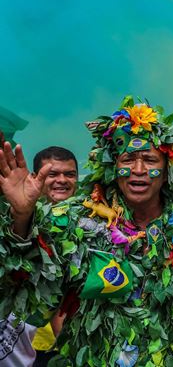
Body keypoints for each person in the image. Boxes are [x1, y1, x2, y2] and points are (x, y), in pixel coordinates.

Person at [0, 98, 173, 365]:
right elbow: (27, 284)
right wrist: (22, 216)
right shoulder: (76, 223)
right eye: (127, 160)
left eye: (149, 160)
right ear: (113, 168)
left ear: (167, 171)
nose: (138, 169)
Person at [0, 137, 78, 367]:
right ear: (35, 177)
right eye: (52, 174)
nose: (61, 180)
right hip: (28, 347)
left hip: (64, 345)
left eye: (70, 174)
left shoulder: (89, 224)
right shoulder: (16, 220)